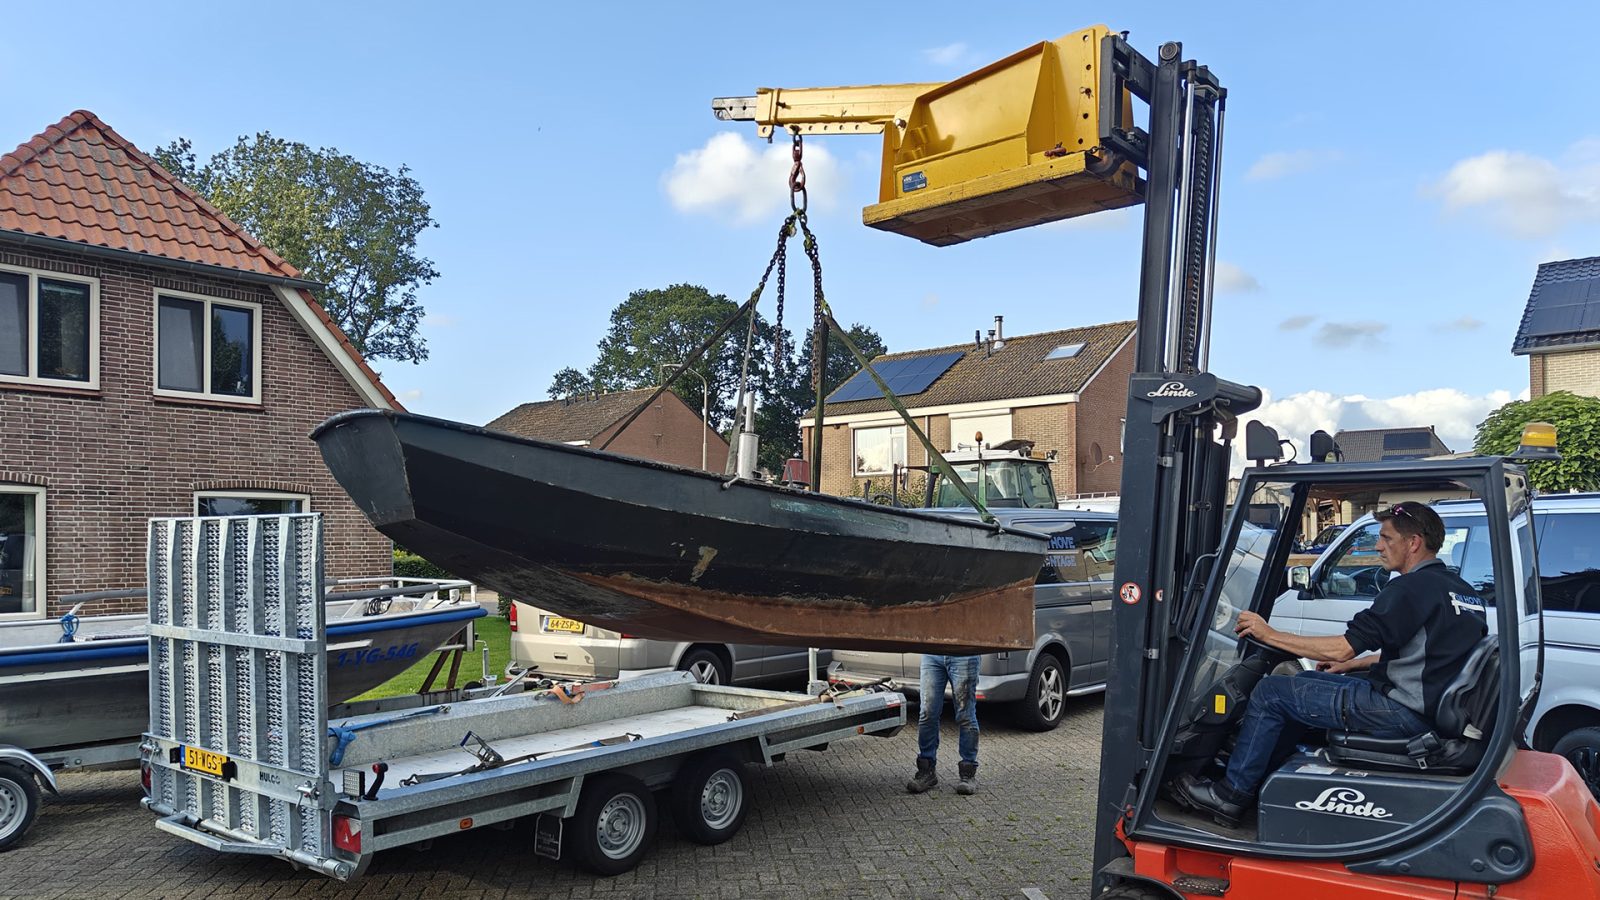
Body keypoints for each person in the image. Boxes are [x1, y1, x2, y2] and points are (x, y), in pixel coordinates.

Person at [1177, 501, 1487, 825]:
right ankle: (1259, 778)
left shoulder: (1410, 589)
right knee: (1299, 686)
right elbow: (1435, 656)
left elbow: (1341, 649)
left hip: (1403, 711)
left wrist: (1269, 634)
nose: (1378, 546)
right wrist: (1356, 665)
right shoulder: (1461, 591)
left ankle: (1229, 796)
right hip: (1426, 710)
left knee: (1272, 692)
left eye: (1386, 538)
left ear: (1413, 543)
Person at [905, 654, 981, 795]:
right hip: (932, 654)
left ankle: (968, 773)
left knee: (965, 715)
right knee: (927, 713)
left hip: (964, 654)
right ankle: (926, 771)